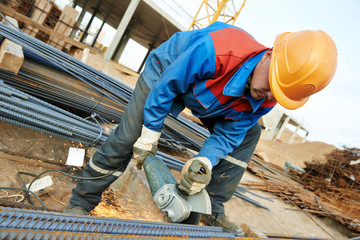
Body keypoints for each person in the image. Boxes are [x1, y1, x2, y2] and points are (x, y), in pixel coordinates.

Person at [64, 22, 337, 236]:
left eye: (276, 94)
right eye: (270, 86)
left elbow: (230, 133)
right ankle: (81, 201)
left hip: (214, 98)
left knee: (249, 135)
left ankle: (210, 211)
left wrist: (205, 160)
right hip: (169, 71)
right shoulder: (218, 49)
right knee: (129, 137)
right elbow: (168, 87)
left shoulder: (267, 96)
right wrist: (149, 134)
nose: (267, 96)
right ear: (268, 56)